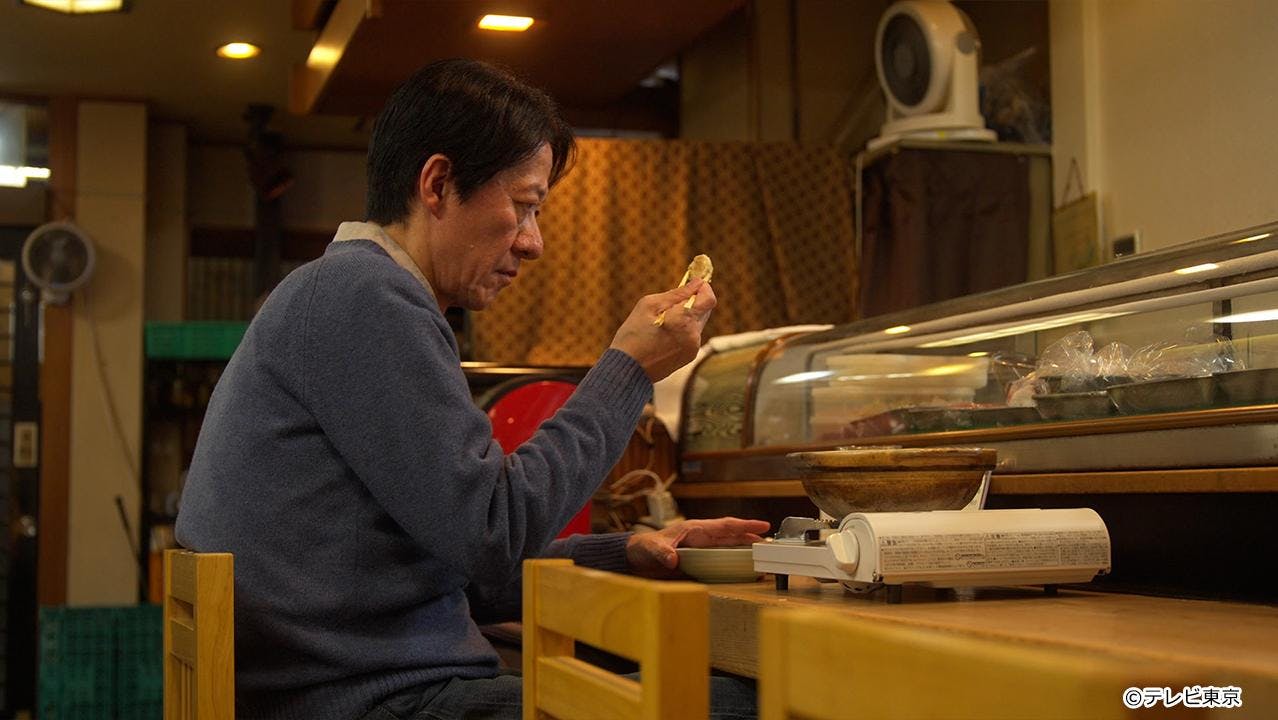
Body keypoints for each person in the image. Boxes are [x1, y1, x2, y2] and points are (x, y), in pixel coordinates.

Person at [176, 58, 768, 720]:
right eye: (524, 205)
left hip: (350, 689)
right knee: (760, 699)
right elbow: (493, 533)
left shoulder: (343, 292)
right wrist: (629, 368)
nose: (534, 242)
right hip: (381, 701)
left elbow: (450, 563)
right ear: (438, 184)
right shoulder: (365, 297)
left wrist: (626, 551)